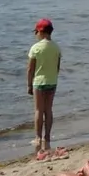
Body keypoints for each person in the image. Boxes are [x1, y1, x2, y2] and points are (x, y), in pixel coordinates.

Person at [26, 19, 61, 157]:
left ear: (40, 32)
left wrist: (29, 84)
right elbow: (57, 67)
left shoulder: (35, 48)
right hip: (52, 81)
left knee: (39, 110)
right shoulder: (56, 47)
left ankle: (37, 137)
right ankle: (47, 137)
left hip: (39, 82)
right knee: (48, 109)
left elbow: (30, 69)